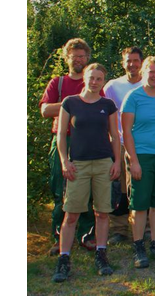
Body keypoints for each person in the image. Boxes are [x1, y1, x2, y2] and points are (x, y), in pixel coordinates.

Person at [52, 64, 121, 283]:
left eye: (99, 79)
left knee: (102, 212)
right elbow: (62, 134)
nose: (94, 82)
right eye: (91, 77)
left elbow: (114, 136)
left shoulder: (107, 104)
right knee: (71, 213)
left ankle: (101, 253)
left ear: (103, 81)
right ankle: (64, 259)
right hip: (78, 165)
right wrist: (65, 161)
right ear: (85, 77)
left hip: (103, 163)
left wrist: (117, 161)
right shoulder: (70, 102)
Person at [39, 38, 97, 256]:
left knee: (89, 191)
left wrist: (70, 105)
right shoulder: (58, 83)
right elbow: (45, 111)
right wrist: (74, 103)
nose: (79, 59)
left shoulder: (93, 81)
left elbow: (99, 106)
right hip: (63, 141)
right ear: (67, 58)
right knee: (60, 190)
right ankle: (59, 238)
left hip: (89, 141)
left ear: (88, 58)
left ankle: (87, 236)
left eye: (83, 56)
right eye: (75, 56)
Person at [122, 56, 155, 269]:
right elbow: (126, 132)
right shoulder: (133, 97)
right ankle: (138, 246)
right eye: (151, 72)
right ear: (144, 72)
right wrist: (133, 160)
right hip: (141, 155)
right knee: (140, 202)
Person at [103, 47, 144, 245]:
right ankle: (119, 229)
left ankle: (146, 226)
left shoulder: (149, 83)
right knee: (119, 186)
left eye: (136, 61)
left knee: (142, 184)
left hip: (143, 143)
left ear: (141, 63)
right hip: (119, 142)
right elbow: (106, 114)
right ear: (123, 63)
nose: (132, 64)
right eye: (128, 61)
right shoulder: (112, 86)